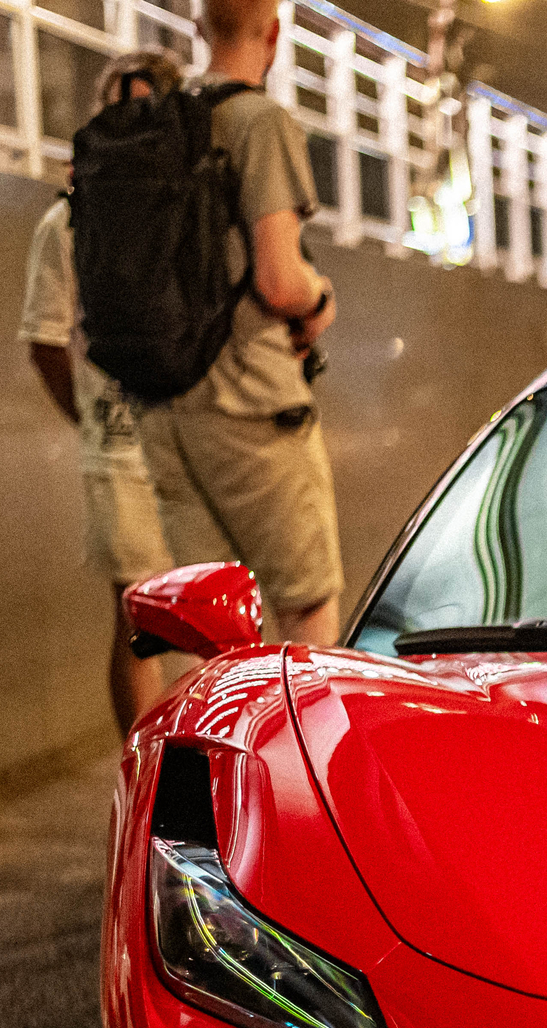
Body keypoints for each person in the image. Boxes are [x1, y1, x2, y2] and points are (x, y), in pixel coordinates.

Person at [134, 0, 344, 647]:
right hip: (252, 403)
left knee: (207, 628)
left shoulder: (156, 125)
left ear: (199, 27)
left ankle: (213, 748)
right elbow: (279, 280)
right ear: (274, 34)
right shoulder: (261, 122)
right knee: (306, 606)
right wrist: (320, 296)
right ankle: (296, 751)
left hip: (167, 409)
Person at [18, 48, 183, 733]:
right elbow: (45, 342)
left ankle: (177, 771)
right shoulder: (72, 221)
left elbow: (44, 343)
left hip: (162, 441)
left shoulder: (73, 220)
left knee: (168, 617)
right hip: (140, 443)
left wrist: (90, 419)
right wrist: (92, 418)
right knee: (143, 615)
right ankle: (153, 775)